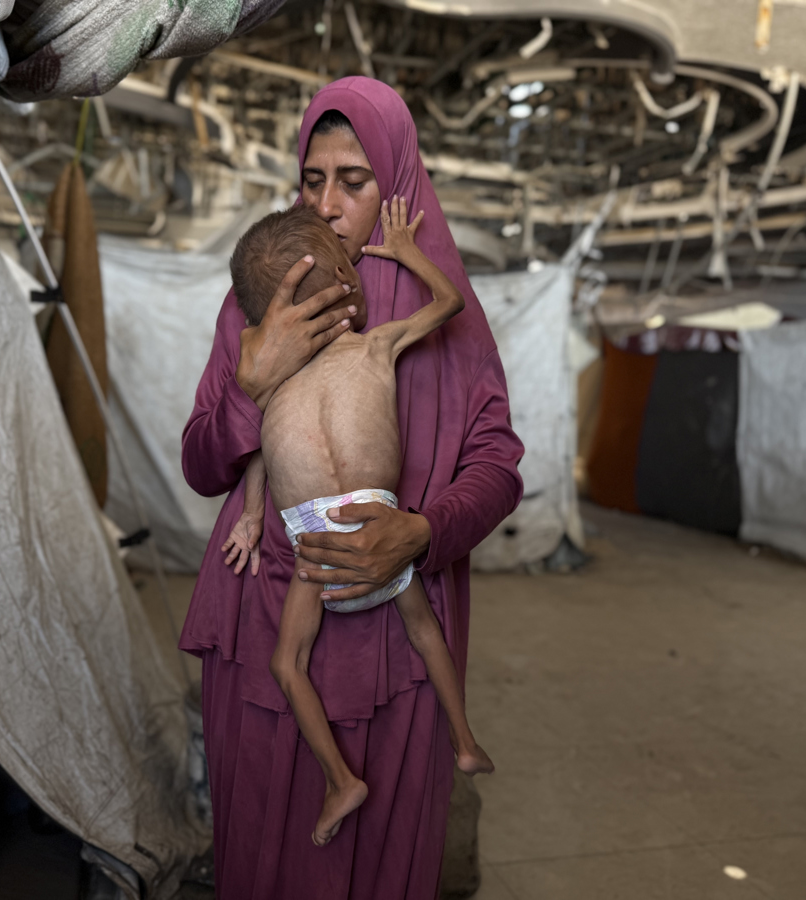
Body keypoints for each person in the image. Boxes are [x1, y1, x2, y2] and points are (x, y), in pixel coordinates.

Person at [179, 76, 524, 897]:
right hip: (267, 611)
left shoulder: (447, 315)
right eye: (312, 179)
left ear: (397, 184)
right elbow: (201, 464)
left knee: (379, 855)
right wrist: (247, 389)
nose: (328, 205)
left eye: (354, 181)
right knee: (264, 837)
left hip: (394, 644)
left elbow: (498, 466)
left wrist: (422, 532)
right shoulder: (259, 303)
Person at [222, 198, 495, 848]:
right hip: (377, 524)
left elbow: (261, 452)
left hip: (315, 540)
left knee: (290, 666)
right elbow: (448, 303)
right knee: (427, 635)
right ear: (348, 285)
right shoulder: (375, 346)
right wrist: (408, 253)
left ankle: (340, 779)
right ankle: (464, 740)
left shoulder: (274, 382)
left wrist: (251, 517)